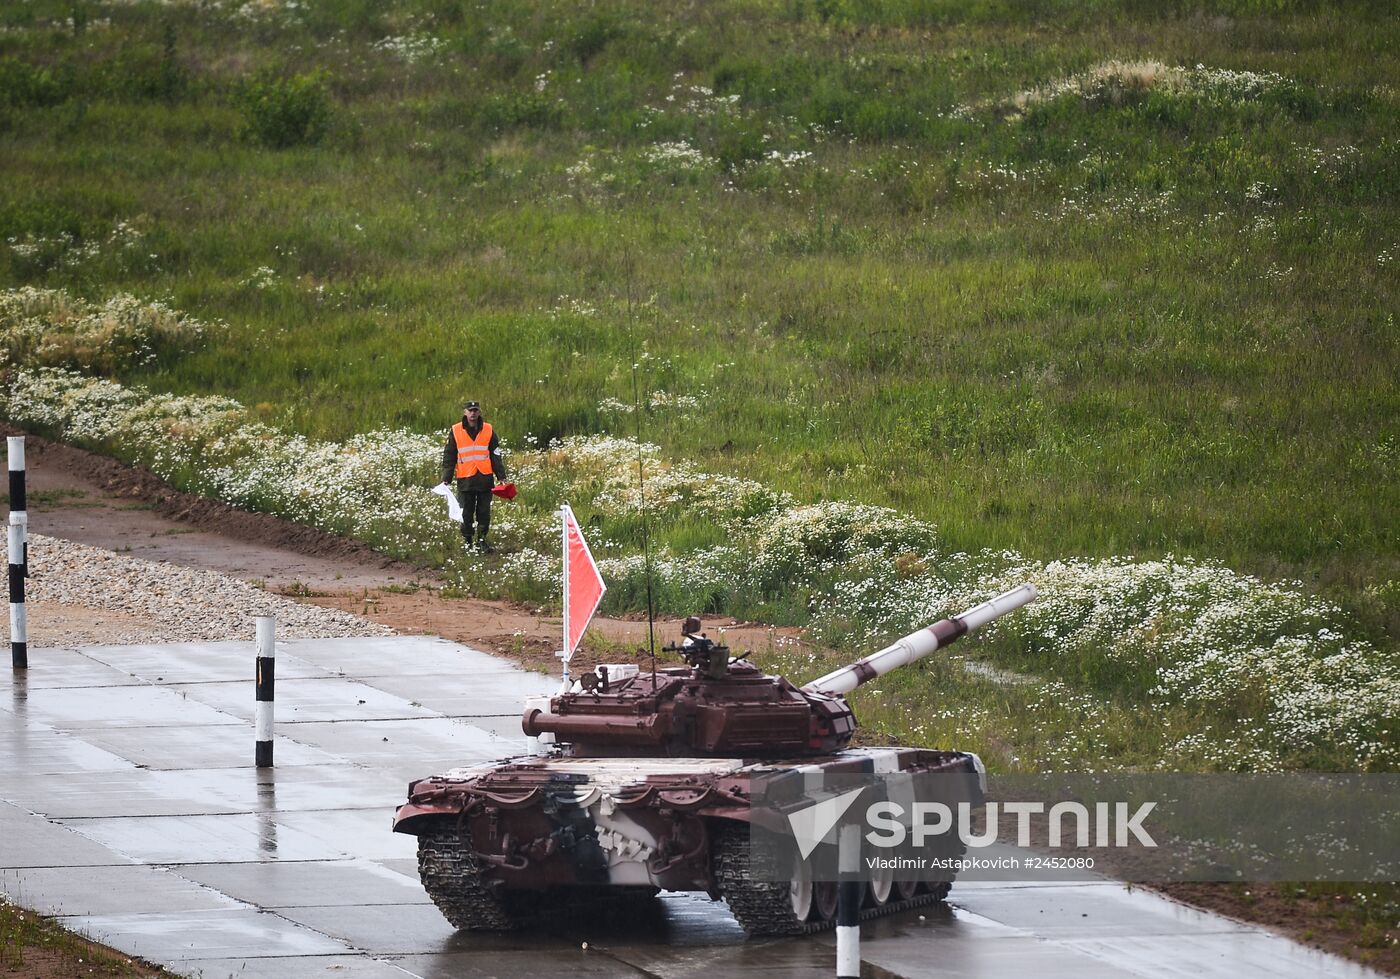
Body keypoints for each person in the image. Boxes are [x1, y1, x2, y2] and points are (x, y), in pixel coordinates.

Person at [441, 400, 507, 553]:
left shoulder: (488, 429)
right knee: (466, 513)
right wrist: (447, 477)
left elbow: (495, 455)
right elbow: (449, 455)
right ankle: (468, 542)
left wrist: (501, 476)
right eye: (470, 410)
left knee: (484, 513)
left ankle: (482, 541)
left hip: (485, 479)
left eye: (475, 410)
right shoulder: (456, 430)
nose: (473, 413)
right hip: (465, 480)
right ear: (465, 412)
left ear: (479, 412)